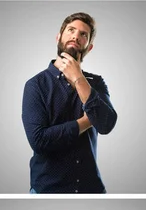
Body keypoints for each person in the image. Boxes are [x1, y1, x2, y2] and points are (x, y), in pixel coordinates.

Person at [22, 12, 117, 193]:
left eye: (83, 34)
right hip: (48, 190)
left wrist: (78, 78)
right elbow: (39, 141)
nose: (76, 36)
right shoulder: (36, 85)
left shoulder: (96, 83)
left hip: (92, 189)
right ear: (58, 37)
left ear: (89, 47)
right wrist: (85, 122)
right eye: (71, 30)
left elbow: (106, 124)